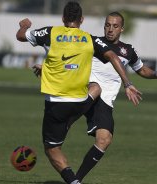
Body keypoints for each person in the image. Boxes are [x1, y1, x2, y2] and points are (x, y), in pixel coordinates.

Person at [16, 2, 142, 184]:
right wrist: (128, 84)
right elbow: (113, 56)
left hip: (57, 104)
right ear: (81, 20)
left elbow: (21, 36)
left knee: (52, 148)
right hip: (80, 101)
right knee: (96, 88)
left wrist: (24, 26)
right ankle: (74, 123)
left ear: (62, 19)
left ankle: (74, 181)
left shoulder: (50, 33)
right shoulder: (89, 39)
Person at [75, 12, 157, 182]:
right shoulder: (93, 43)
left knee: (104, 140)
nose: (110, 29)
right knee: (93, 90)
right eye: (107, 25)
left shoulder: (128, 50)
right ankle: (64, 123)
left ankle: (75, 180)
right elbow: (69, 55)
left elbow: (142, 70)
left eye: (115, 26)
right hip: (88, 92)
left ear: (122, 29)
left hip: (105, 102)